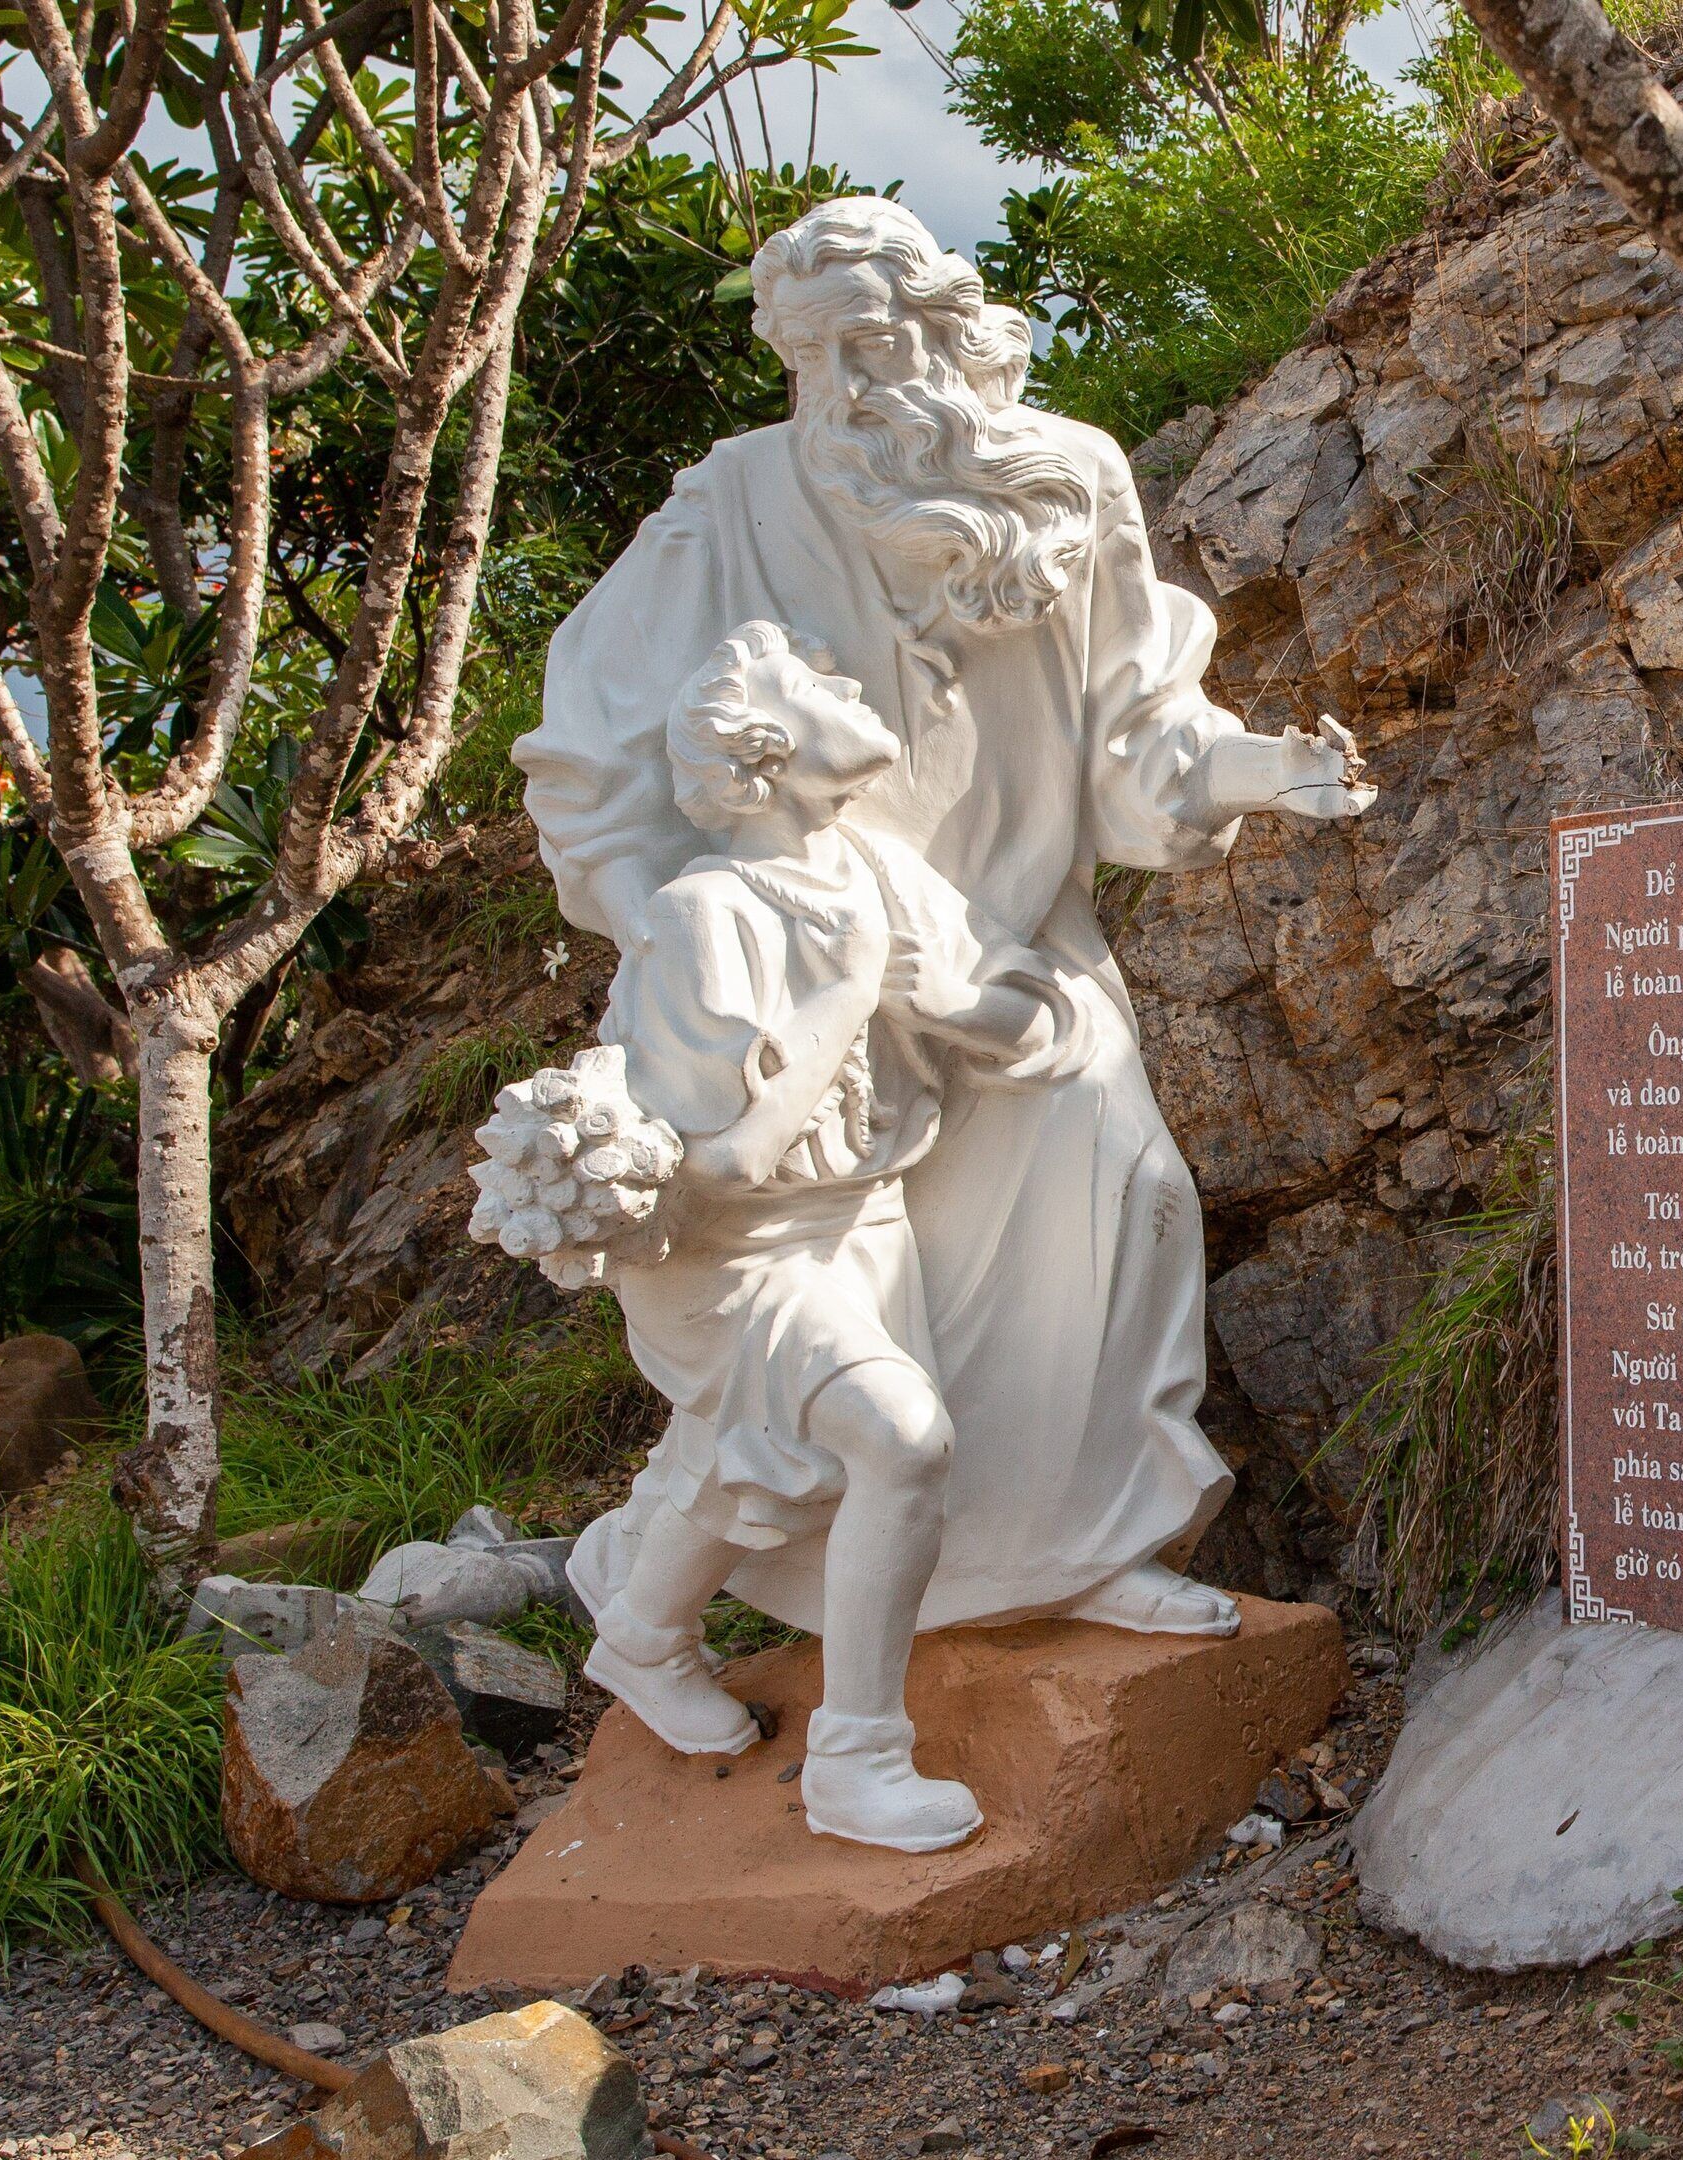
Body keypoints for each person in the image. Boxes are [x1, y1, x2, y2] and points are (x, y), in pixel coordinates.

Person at [519, 197, 1372, 1664]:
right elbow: (590, 749)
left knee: (1125, 1203)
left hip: (1021, 954)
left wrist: (1258, 771)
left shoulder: (1071, 483)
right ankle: (837, 1613)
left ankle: (1078, 1552)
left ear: (951, 335)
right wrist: (718, 939)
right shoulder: (726, 508)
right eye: (810, 360)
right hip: (813, 992)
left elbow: (1136, 725)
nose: (846, 392)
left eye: (870, 345)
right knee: (836, 1316)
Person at [587, 620, 1088, 1852]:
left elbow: (1030, 1024)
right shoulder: (701, 917)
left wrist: (953, 1001)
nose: (848, 680)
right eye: (813, 681)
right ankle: (858, 1759)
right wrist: (845, 996)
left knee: (762, 1449)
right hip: (743, 1251)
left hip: (866, 1221)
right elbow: (726, 1162)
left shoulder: (865, 870)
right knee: (901, 1445)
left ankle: (641, 1633)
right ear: (763, 749)